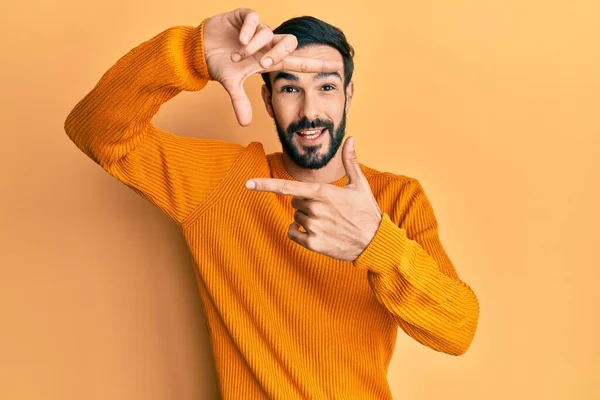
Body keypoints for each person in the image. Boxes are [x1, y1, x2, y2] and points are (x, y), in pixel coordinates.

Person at [64, 7, 480, 399]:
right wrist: (191, 54)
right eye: (289, 89)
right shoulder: (225, 184)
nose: (310, 110)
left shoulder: (397, 198)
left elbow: (457, 330)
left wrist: (376, 244)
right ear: (267, 100)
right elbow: (94, 129)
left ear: (348, 95)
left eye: (327, 87)